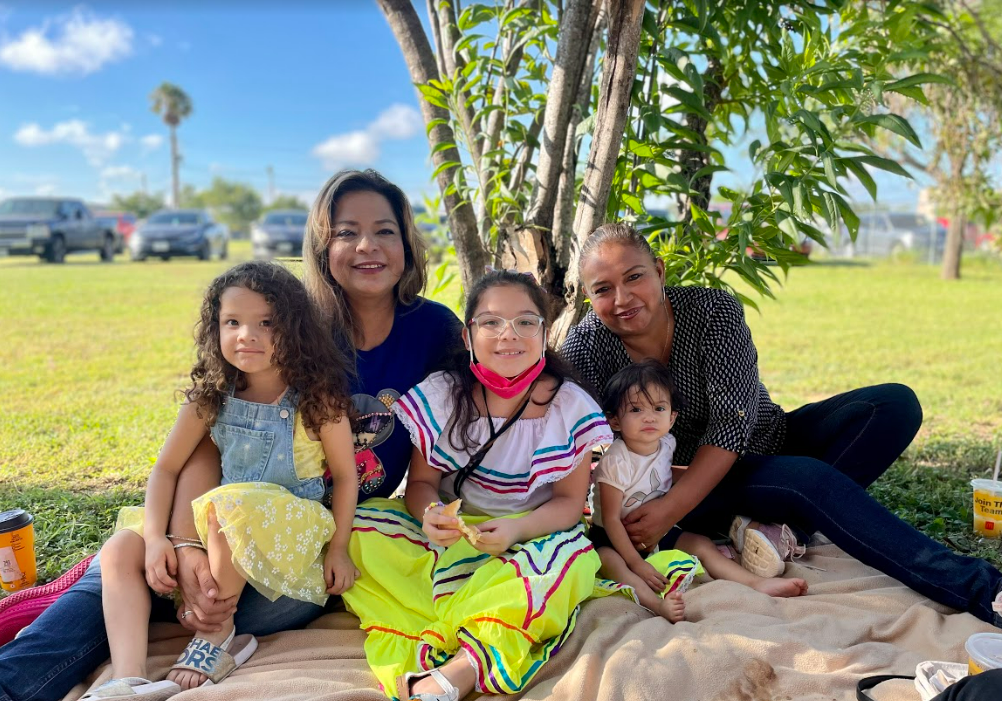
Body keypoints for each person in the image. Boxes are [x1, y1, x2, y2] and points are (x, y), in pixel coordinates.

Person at [0, 169, 463, 701]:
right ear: (321, 243)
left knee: (195, 593)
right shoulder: (283, 316)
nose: (367, 246)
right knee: (126, 569)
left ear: (407, 241)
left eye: (385, 230)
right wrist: (183, 543)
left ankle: (199, 625)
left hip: (302, 542)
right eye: (345, 231)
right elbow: (208, 441)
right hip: (214, 521)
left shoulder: (436, 331)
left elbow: (451, 438)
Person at [560, 222, 1002, 627]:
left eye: (634, 276)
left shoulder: (712, 311)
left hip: (766, 438)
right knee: (808, 481)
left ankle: (776, 530)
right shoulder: (587, 349)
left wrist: (671, 511)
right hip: (678, 480)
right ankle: (984, 590)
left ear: (658, 269)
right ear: (588, 297)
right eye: (603, 289)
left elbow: (732, 426)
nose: (622, 299)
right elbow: (560, 430)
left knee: (893, 405)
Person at [78, 261, 359, 699]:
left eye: (266, 323)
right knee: (119, 548)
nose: (246, 335)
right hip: (220, 536)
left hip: (287, 537)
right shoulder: (212, 395)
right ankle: (126, 679)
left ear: (297, 330)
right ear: (216, 328)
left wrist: (338, 548)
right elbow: (166, 469)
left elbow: (344, 477)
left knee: (233, 502)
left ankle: (217, 634)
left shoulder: (319, 399)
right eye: (232, 322)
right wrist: (155, 538)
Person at [341, 270, 615, 701]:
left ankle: (461, 669)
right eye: (491, 322)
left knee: (570, 561)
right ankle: (464, 613)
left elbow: (567, 506)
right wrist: (431, 515)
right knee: (360, 527)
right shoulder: (443, 395)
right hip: (455, 536)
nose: (509, 335)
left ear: (545, 333)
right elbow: (421, 486)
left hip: (532, 538)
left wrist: (515, 530)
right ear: (468, 337)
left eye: (526, 321)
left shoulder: (569, 406)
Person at [591, 360, 807, 624]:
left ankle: (756, 582)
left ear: (672, 417)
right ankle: (658, 606)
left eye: (659, 408)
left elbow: (664, 474)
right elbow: (611, 519)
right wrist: (637, 562)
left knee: (700, 544)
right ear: (614, 420)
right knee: (612, 564)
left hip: (656, 528)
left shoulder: (666, 443)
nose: (649, 417)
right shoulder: (615, 462)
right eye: (636, 409)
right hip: (613, 536)